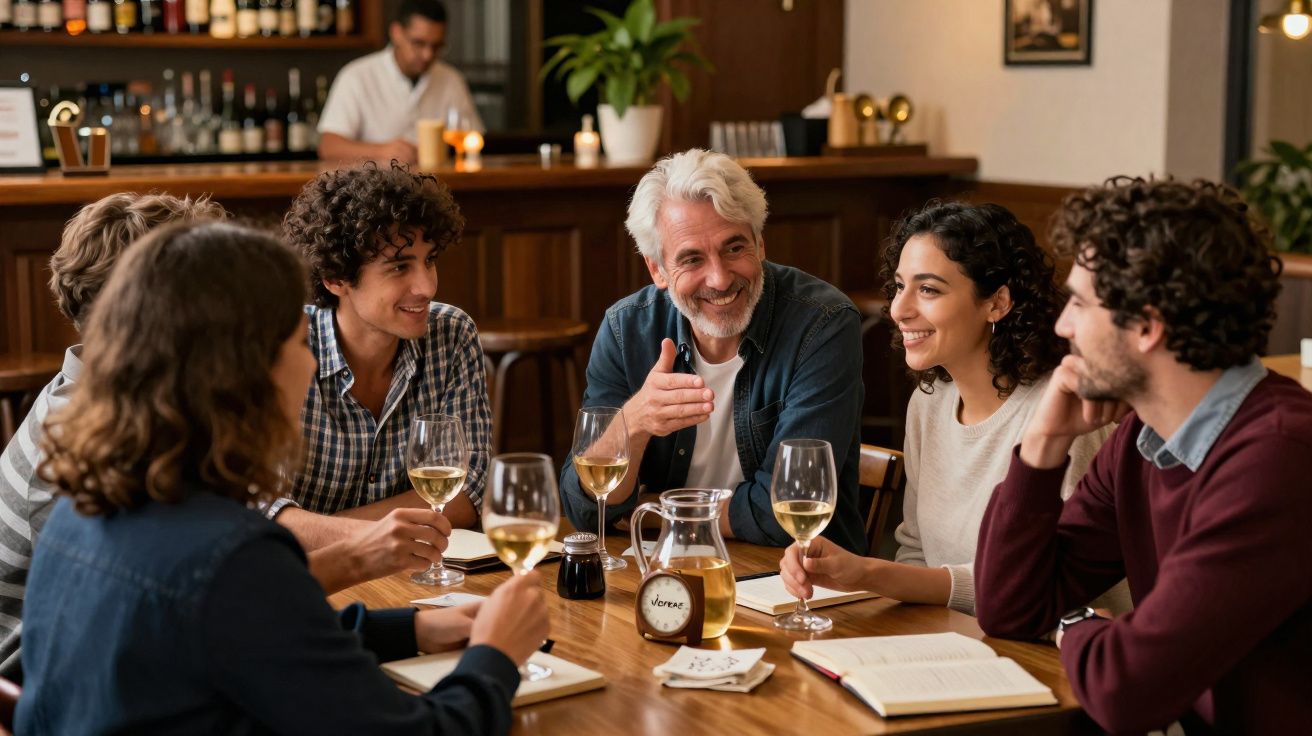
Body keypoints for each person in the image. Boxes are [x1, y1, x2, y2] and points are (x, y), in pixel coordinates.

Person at [16, 221, 549, 735]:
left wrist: (414, 630)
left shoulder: (85, 507)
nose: (311, 365)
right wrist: (495, 655)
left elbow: (250, 634)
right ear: (245, 372)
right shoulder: (232, 558)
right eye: (298, 344)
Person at [0, 194, 452, 685]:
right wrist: (358, 561)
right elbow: (196, 620)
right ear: (163, 312)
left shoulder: (133, 412)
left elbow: (207, 609)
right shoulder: (87, 447)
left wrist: (409, 627)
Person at [974, 177, 1312, 733]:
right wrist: (1042, 445)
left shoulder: (1278, 458)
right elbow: (1010, 607)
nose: (1062, 325)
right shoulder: (1141, 438)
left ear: (1148, 327)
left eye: (1080, 303)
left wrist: (1073, 625)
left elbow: (1125, 689)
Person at [779, 202, 1127, 616]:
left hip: (1055, 646)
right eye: (900, 286)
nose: (899, 309)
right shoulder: (930, 402)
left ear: (997, 303)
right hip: (955, 641)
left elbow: (1040, 586)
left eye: (928, 289)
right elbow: (915, 552)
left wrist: (869, 573)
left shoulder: (1063, 415)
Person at [559, 149, 867, 553]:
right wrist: (635, 422)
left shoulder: (822, 324)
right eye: (692, 259)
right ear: (658, 270)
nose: (720, 279)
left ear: (760, 244)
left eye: (734, 248)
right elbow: (586, 507)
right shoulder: (626, 329)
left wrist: (655, 509)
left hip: (797, 577)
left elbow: (784, 512)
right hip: (662, 570)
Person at [279, 162, 491, 531]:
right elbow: (264, 514)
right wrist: (371, 538)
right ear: (335, 278)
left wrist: (323, 530)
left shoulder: (452, 334)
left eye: (429, 260)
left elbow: (468, 492)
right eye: (399, 267)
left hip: (418, 563)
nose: (426, 287)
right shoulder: (283, 346)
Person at [318, 0, 483, 164]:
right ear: (396, 32)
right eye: (418, 43)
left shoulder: (451, 80)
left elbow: (473, 139)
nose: (427, 55)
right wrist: (380, 152)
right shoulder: (356, 76)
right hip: (374, 180)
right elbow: (328, 147)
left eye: (436, 46)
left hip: (437, 180)